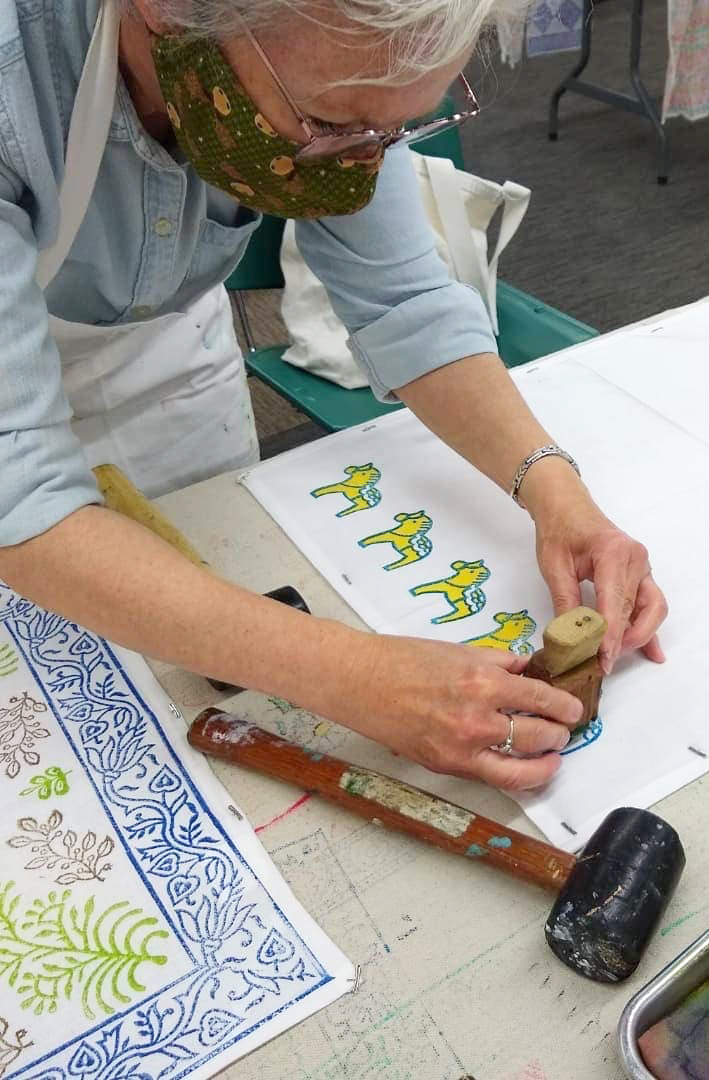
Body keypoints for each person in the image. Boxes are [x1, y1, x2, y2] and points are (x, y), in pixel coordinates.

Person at [0, 0, 667, 791]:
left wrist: (559, 496)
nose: (362, 160)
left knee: (194, 647)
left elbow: (404, 303)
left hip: (165, 352)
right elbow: (22, 486)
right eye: (331, 121)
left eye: (393, 130)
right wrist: (356, 678)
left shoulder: (338, 75)